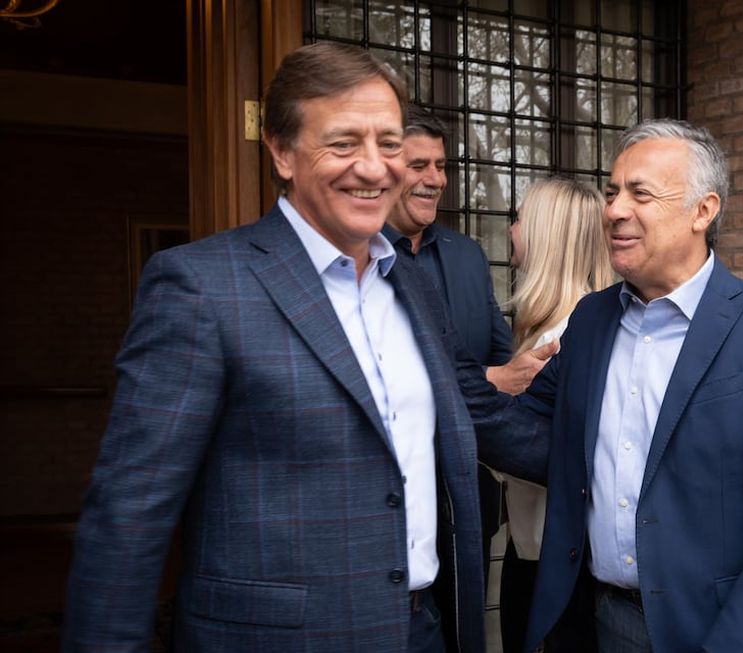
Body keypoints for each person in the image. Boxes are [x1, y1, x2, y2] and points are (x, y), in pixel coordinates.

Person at [60, 42, 546, 653]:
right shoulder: (202, 287)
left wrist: (626, 459)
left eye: (389, 143)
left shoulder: (413, 285)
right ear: (282, 152)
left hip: (421, 631)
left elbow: (480, 410)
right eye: (344, 143)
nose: (374, 168)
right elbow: (129, 517)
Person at [513, 119, 743, 653]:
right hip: (594, 623)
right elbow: (529, 427)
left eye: (640, 193)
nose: (615, 209)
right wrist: (453, 382)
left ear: (702, 211)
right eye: (614, 191)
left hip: (716, 633)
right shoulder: (592, 319)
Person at [381, 107, 557, 586]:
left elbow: (502, 363)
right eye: (420, 166)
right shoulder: (358, 258)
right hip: (385, 501)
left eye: (441, 167)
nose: (435, 180)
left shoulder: (466, 256)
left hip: (468, 490)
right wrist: (490, 380)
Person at [496, 178, 614, 653]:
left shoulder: (566, 335)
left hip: (550, 561)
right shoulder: (553, 326)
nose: (510, 230)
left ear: (547, 236)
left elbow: (534, 447)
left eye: (520, 218)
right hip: (530, 548)